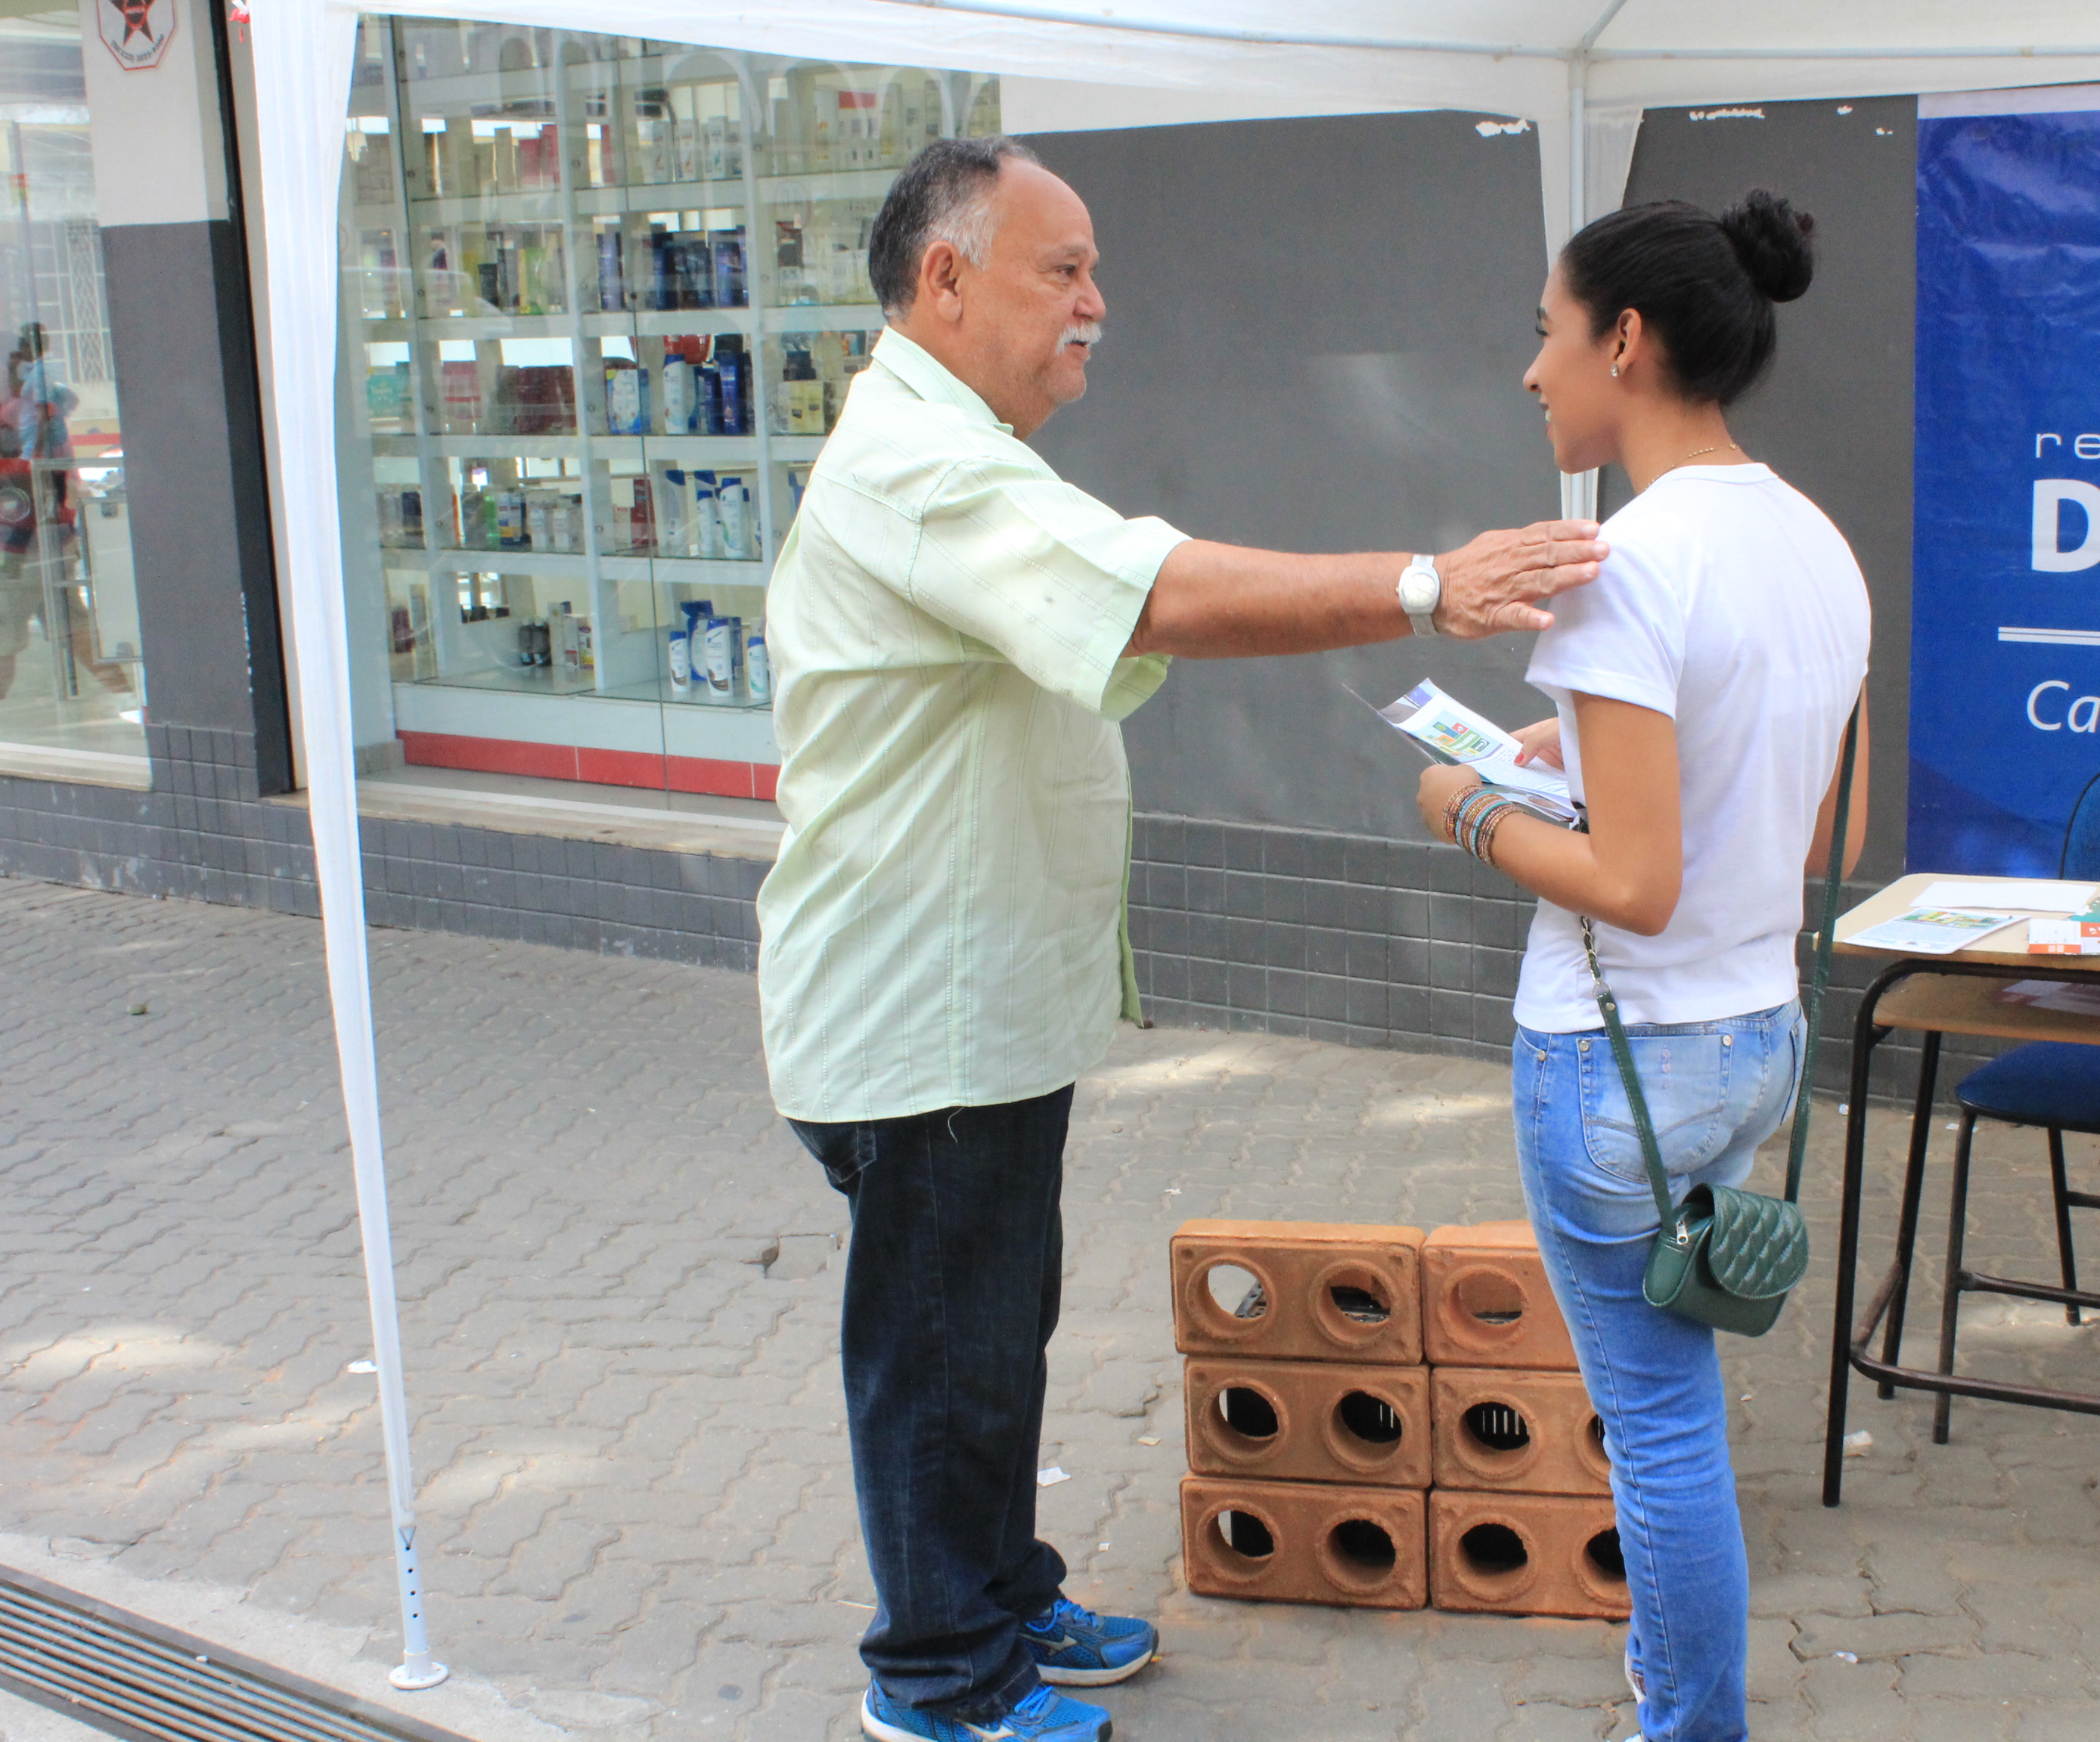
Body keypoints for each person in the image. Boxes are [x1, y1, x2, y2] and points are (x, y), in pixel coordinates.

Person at [757, 135, 1607, 1742]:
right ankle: (939, 1680)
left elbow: (1123, 590)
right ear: (947, 280)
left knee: (993, 1327)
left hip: (977, 1009)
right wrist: (1430, 581)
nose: (1097, 303)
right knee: (944, 1354)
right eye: (1061, 269)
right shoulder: (919, 464)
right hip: (917, 1013)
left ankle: (1000, 1597)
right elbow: (1162, 595)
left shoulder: (966, 448)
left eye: (1094, 270)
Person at [1410, 192, 1870, 1742]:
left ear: (1625, 339)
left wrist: (1470, 805)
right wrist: (1594, 760)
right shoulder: (1815, 541)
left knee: (1659, 1433)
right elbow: (1820, 831)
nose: (1533, 371)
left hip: (1619, 1062)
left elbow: (1634, 885)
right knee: (1679, 1405)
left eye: (1548, 332)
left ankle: (1693, 1724)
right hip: (1755, 1045)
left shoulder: (1618, 560)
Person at [0, 325, 129, 705]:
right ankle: (134, 700)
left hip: (15, 550)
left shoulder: (20, 415)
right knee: (77, 634)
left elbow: (14, 479)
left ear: (14, 366)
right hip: (51, 543)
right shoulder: (41, 409)